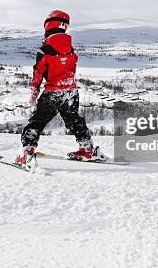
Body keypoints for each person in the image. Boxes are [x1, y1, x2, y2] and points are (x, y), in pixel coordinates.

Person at [16, 10, 106, 165]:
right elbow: (72, 68)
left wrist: (34, 92)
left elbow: (38, 73)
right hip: (71, 91)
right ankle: (88, 149)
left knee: (37, 122)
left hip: (53, 92)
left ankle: (27, 152)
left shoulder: (45, 50)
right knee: (74, 120)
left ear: (48, 25)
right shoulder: (70, 48)